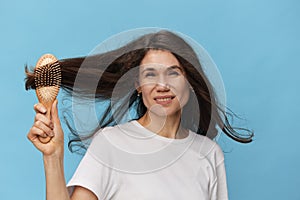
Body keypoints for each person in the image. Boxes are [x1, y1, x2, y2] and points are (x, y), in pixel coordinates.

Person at [25, 29, 253, 200]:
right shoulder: (111, 143)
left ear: (190, 82)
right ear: (138, 84)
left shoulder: (209, 154)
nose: (162, 85)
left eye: (173, 73)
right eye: (150, 74)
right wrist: (52, 157)